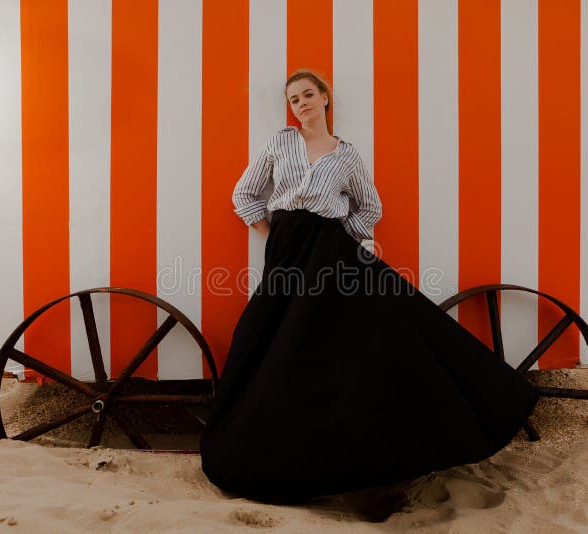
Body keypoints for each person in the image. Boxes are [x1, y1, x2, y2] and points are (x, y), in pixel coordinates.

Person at [199, 68, 539, 501]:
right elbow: (244, 195)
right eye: (294, 99)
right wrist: (275, 238)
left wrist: (355, 241)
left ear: (325, 98)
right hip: (286, 249)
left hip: (330, 248)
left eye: (308, 95)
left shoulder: (347, 155)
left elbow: (369, 206)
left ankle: (467, 407)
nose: (301, 104)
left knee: (382, 320)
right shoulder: (279, 143)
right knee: (265, 332)